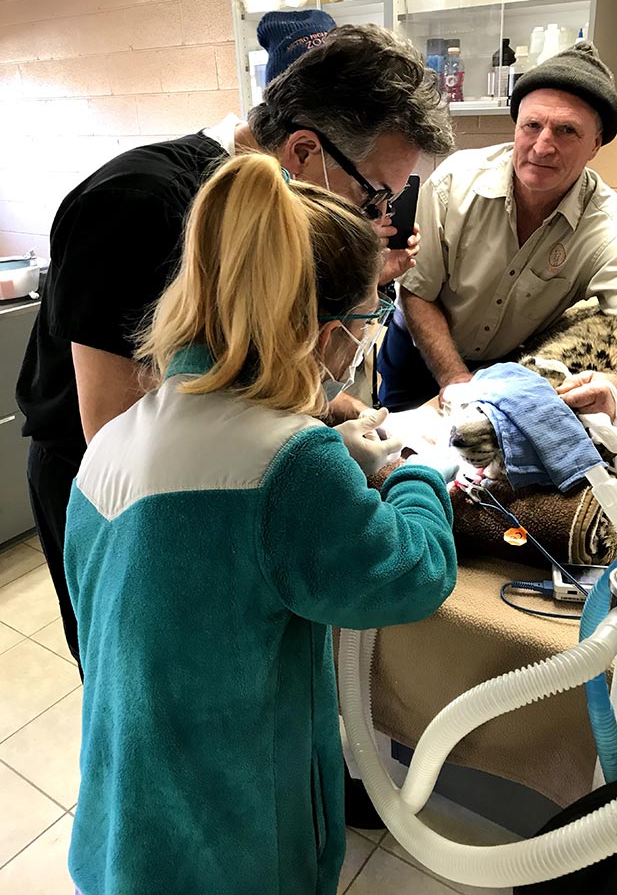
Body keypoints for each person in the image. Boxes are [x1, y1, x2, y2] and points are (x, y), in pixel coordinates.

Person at [64, 154, 458, 895]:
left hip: (127, 813)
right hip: (232, 840)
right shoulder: (289, 463)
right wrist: (411, 473)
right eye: (368, 321)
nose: (364, 342)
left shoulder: (119, 438)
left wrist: (317, 454)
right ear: (319, 330)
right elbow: (409, 574)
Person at [15, 22, 454, 671]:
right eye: (374, 194)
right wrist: (299, 453)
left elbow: (245, 365)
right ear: (305, 150)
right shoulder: (138, 202)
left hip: (205, 465)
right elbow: (114, 425)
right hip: (109, 482)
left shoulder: (266, 215)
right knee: (143, 672)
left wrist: (323, 414)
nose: (375, 216)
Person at [378, 42, 617, 418]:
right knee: (396, 455)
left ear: (596, 145)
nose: (543, 146)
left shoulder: (606, 225)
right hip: (418, 351)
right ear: (516, 126)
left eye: (567, 131)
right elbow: (418, 294)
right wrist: (455, 378)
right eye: (532, 125)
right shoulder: (455, 183)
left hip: (504, 369)